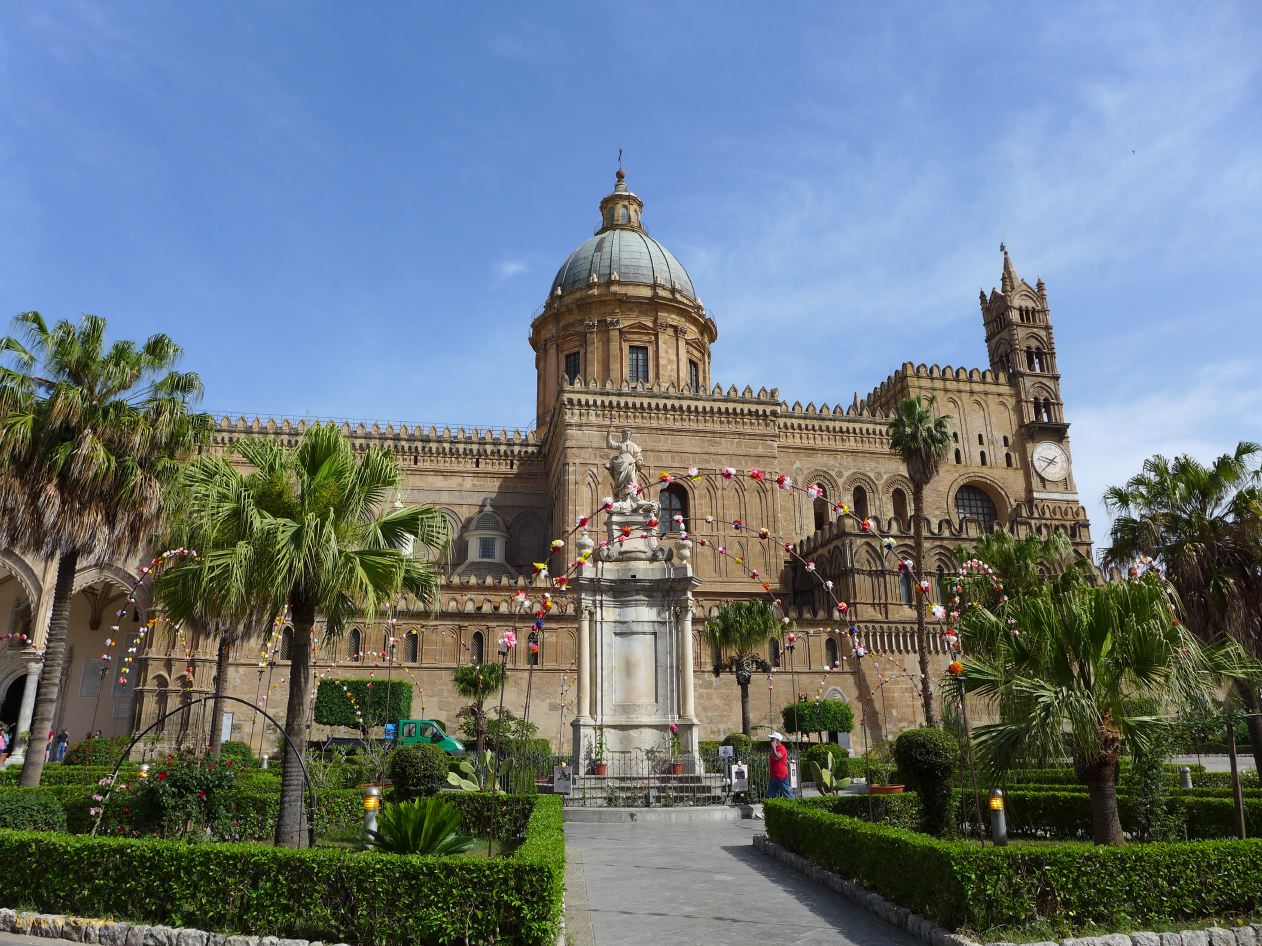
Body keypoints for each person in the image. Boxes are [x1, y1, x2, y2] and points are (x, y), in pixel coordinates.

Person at [766, 731, 794, 800]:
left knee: (787, 794)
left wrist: (773, 747)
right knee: (770, 795)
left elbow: (778, 756)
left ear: (777, 740)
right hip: (774, 776)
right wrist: (773, 748)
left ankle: (794, 806)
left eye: (773, 739)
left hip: (781, 776)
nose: (771, 740)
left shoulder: (782, 748)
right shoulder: (774, 749)